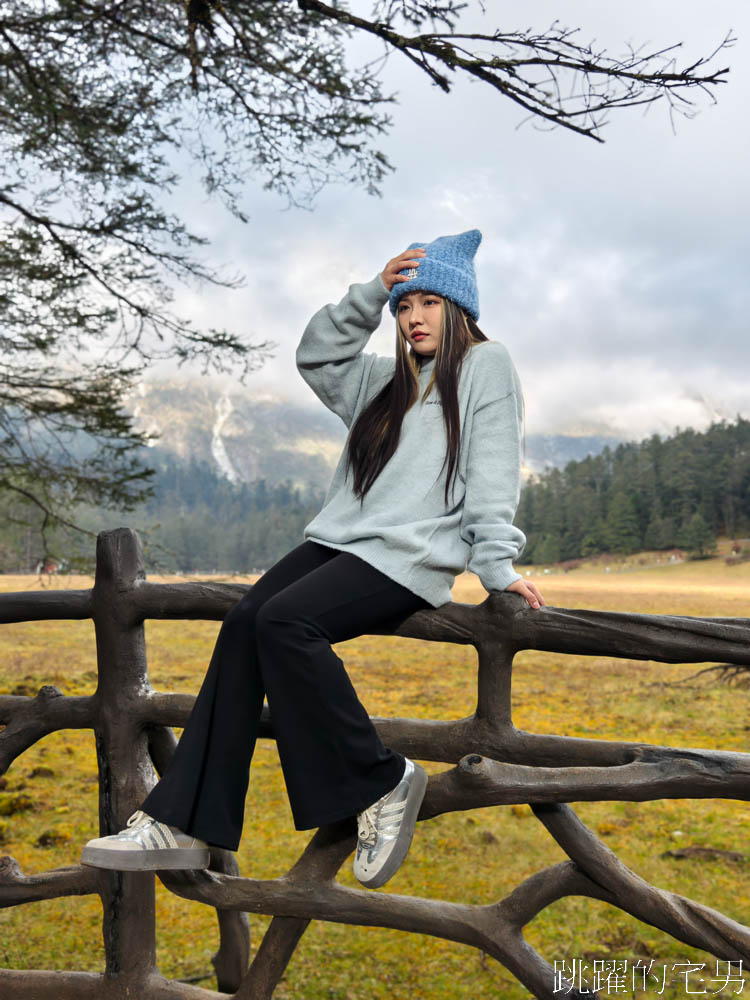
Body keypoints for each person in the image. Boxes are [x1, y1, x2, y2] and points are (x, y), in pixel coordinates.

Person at [80, 229, 545, 889]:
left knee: (284, 624)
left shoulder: (486, 366)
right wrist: (372, 290)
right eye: (404, 307)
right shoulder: (383, 380)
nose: (413, 318)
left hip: (409, 555)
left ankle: (381, 780)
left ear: (460, 309)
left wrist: (497, 567)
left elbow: (494, 470)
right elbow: (318, 354)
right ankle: (182, 823)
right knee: (245, 622)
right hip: (337, 544)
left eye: (428, 304)